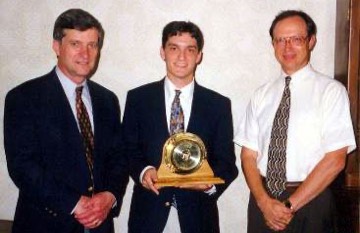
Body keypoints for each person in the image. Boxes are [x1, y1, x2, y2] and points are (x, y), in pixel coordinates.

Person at [4, 8, 128, 233]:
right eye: (76, 44)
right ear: (56, 46)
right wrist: (75, 203)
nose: (86, 53)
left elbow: (118, 158)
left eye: (92, 45)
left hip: (100, 226)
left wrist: (109, 196)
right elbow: (23, 166)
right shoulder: (24, 97)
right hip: (45, 224)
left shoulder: (107, 100)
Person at [234, 10, 356, 233]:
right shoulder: (261, 95)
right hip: (263, 203)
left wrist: (289, 206)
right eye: (280, 40)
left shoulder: (331, 92)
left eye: (296, 39)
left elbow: (336, 159)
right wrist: (263, 201)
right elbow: (248, 156)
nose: (287, 47)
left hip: (312, 202)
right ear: (273, 45)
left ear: (311, 41)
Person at [122, 21, 238, 233]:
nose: (182, 57)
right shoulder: (138, 99)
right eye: (174, 48)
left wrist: (209, 185)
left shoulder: (218, 105)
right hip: (148, 216)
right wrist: (144, 171)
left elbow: (227, 163)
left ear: (199, 56)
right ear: (162, 52)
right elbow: (128, 150)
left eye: (190, 50)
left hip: (199, 217)